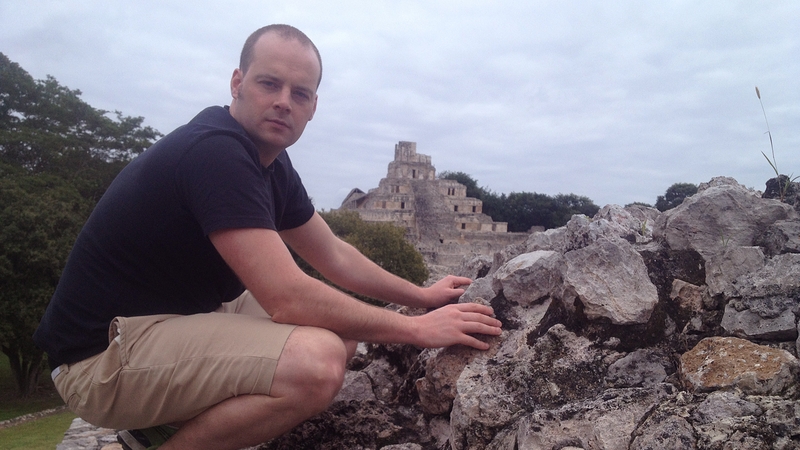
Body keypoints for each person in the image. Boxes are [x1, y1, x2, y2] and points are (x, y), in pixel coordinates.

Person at [33, 24, 502, 450]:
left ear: (313, 107)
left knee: (340, 332)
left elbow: (334, 255)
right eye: (268, 83)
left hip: (170, 318)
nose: (284, 101)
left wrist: (421, 296)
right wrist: (416, 330)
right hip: (98, 359)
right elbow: (286, 297)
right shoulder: (216, 152)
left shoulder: (270, 163)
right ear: (237, 83)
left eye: (300, 93)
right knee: (316, 365)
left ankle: (157, 429)